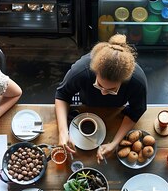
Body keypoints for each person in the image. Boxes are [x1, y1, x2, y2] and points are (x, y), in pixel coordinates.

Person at [55, 34, 148, 163]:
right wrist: (63, 132)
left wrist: (114, 143)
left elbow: (136, 111)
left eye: (112, 90)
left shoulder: (137, 82)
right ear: (94, 72)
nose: (103, 93)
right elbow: (62, 95)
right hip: (86, 104)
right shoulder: (82, 69)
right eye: (99, 85)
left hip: (116, 110)